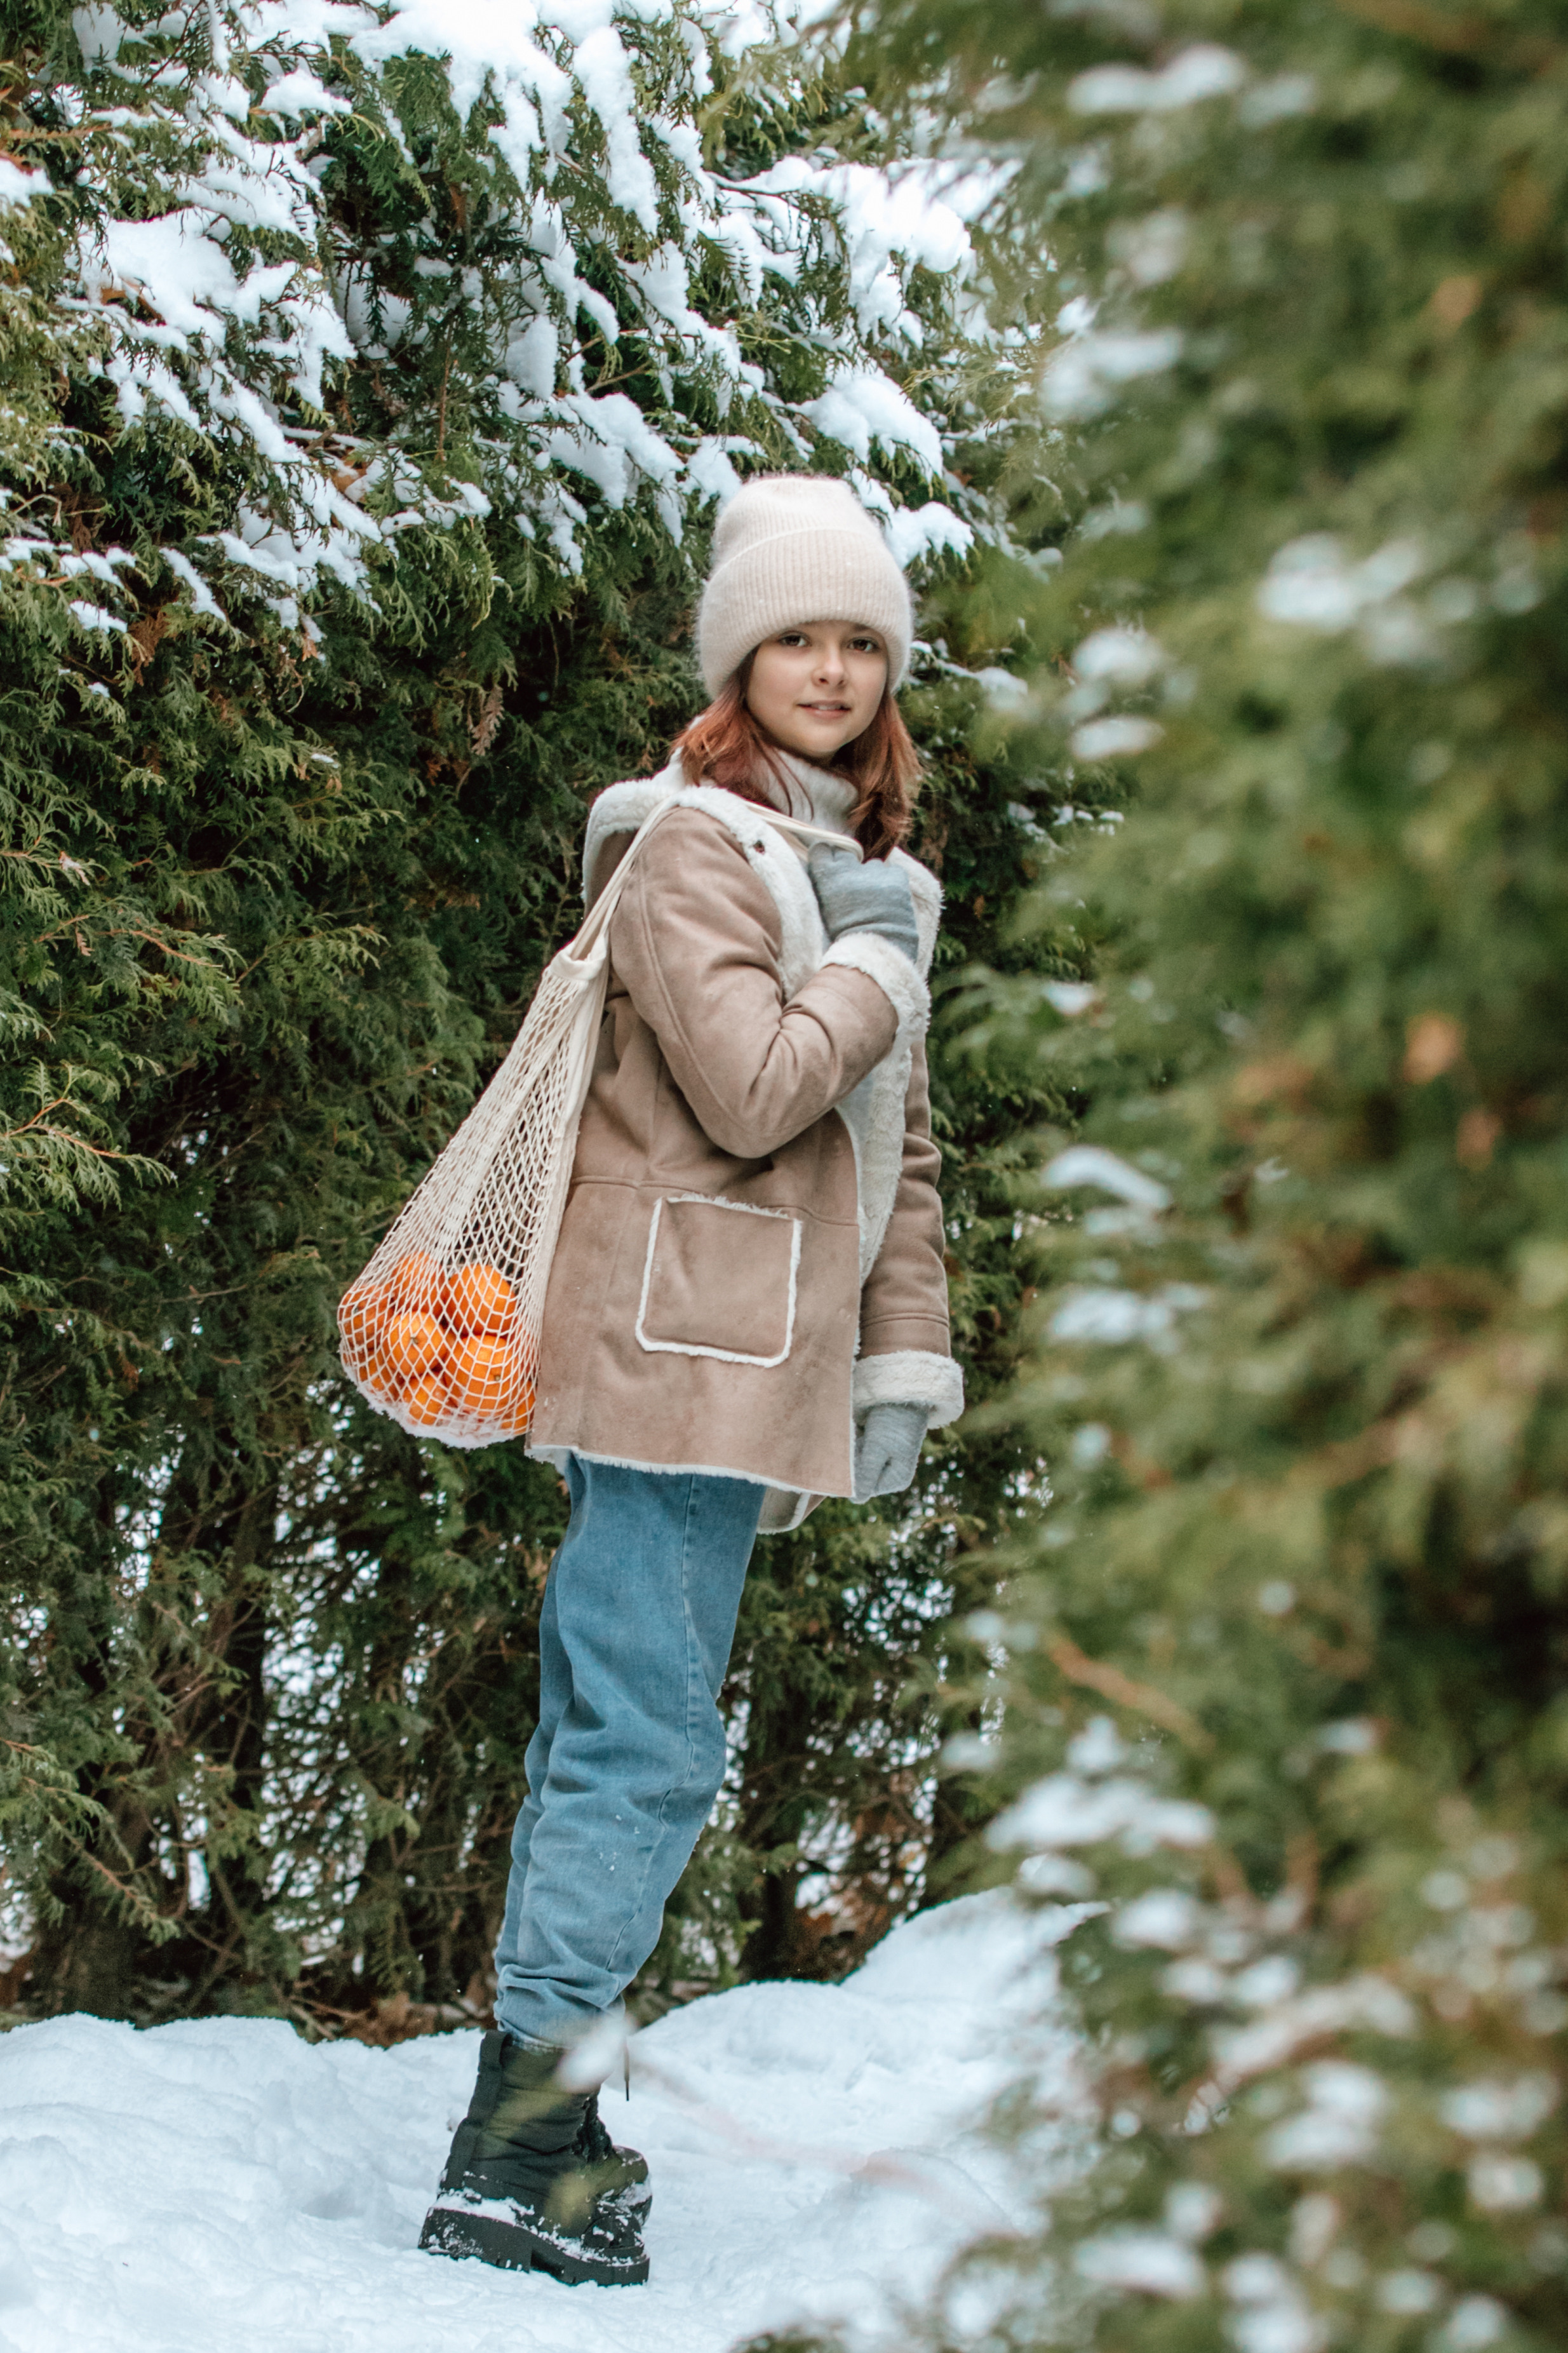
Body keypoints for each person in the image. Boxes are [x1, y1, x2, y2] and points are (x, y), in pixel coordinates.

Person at [419, 475, 963, 2286]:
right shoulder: (688, 848)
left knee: (628, 1731)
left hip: (751, 1358)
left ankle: (546, 2118)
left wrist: (905, 1362)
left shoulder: (861, 874)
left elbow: (899, 1156)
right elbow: (752, 1090)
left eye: (861, 640)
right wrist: (883, 966)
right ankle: (515, 2146)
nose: (831, 666)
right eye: (798, 636)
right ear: (741, 657)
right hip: (668, 1351)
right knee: (640, 1741)